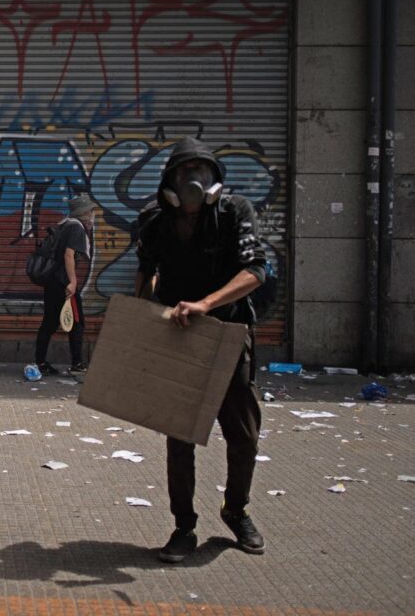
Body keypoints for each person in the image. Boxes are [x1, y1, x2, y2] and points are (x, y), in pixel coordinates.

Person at [134, 137, 267, 563]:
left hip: (228, 334)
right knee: (181, 438)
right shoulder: (154, 220)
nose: (194, 179)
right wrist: (141, 323)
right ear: (170, 181)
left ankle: (236, 509)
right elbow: (146, 273)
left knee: (243, 436)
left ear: (214, 181)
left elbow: (256, 270)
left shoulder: (235, 213)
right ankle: (184, 526)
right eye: (184, 171)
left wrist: (207, 303)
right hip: (179, 336)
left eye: (202, 171)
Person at [34, 193, 99, 375]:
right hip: (63, 282)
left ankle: (40, 362)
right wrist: (72, 282)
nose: (93, 215)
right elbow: (68, 255)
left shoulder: (64, 224)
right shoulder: (76, 227)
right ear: (84, 213)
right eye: (91, 211)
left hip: (52, 281)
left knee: (49, 322)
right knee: (77, 322)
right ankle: (77, 364)